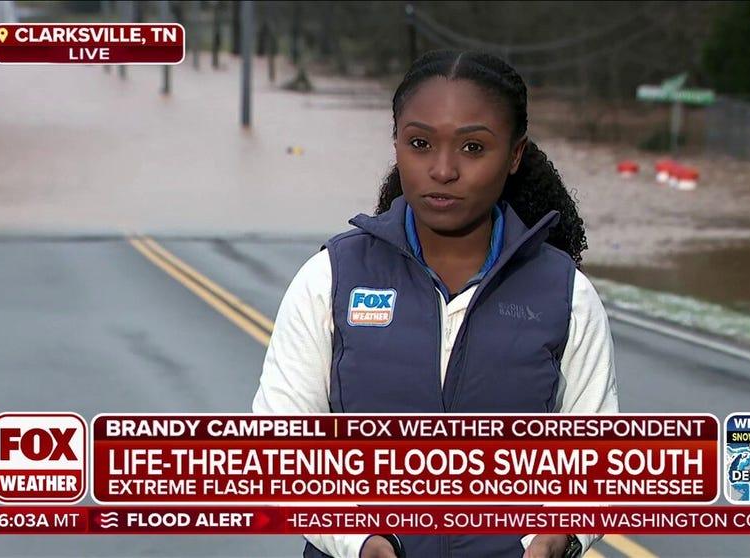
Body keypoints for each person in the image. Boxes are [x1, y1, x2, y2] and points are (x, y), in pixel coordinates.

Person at [253, 50, 618, 558]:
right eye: (420, 143)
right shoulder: (330, 278)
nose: (442, 170)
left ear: (514, 155)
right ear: (397, 145)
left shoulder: (566, 294)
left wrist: (560, 535)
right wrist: (359, 541)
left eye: (473, 147)